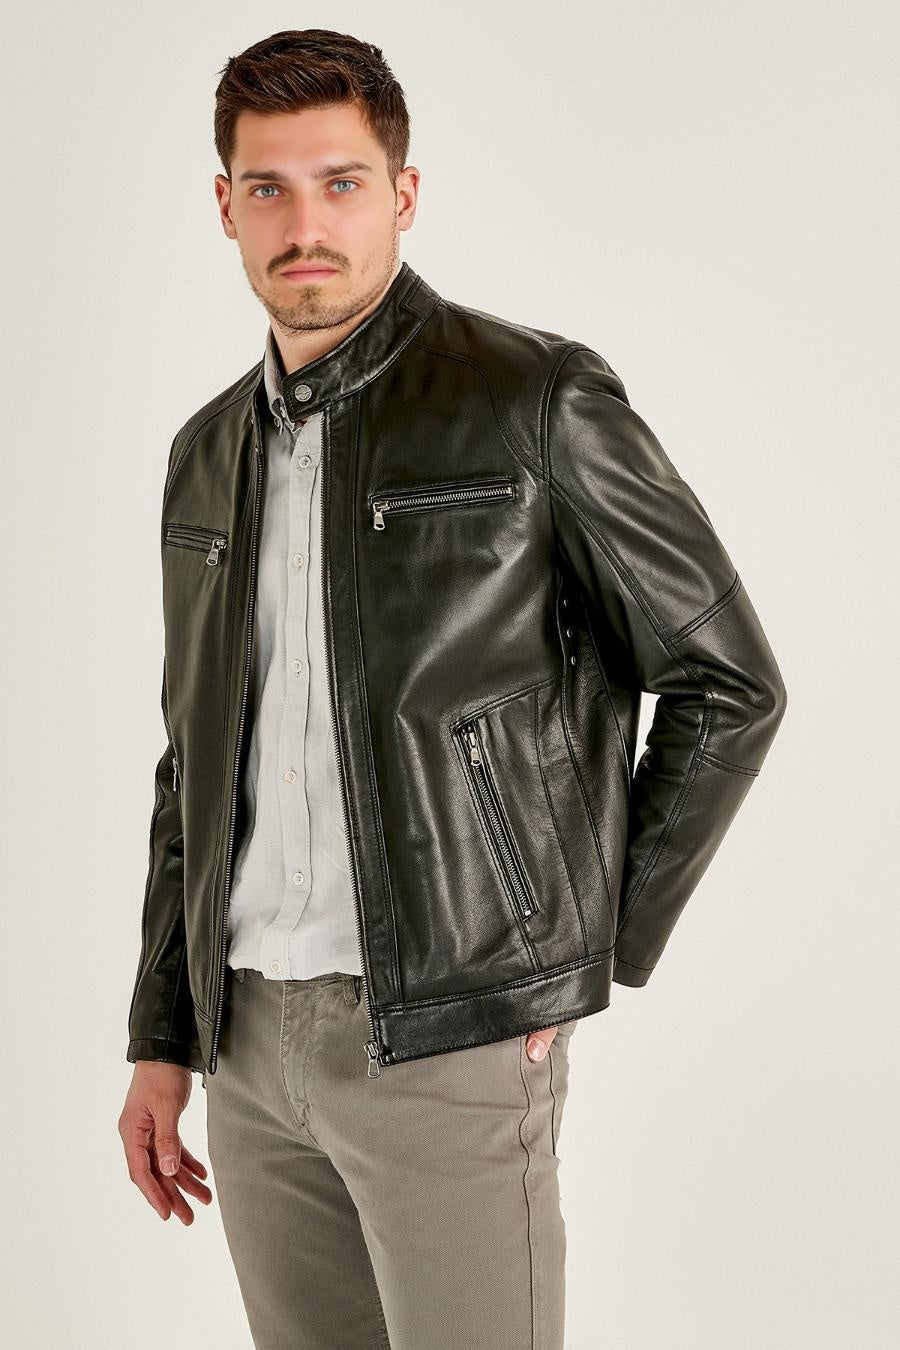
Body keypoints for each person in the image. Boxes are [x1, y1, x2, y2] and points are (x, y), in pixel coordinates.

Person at [117, 27, 787, 1350]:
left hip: (453, 1037)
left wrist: (575, 954)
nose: (306, 225)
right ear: (226, 207)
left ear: (403, 194)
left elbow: (728, 681)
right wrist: (163, 1034)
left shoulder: (532, 399)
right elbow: (192, 761)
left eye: (342, 182)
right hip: (246, 1044)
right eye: (270, 189)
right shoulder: (206, 455)